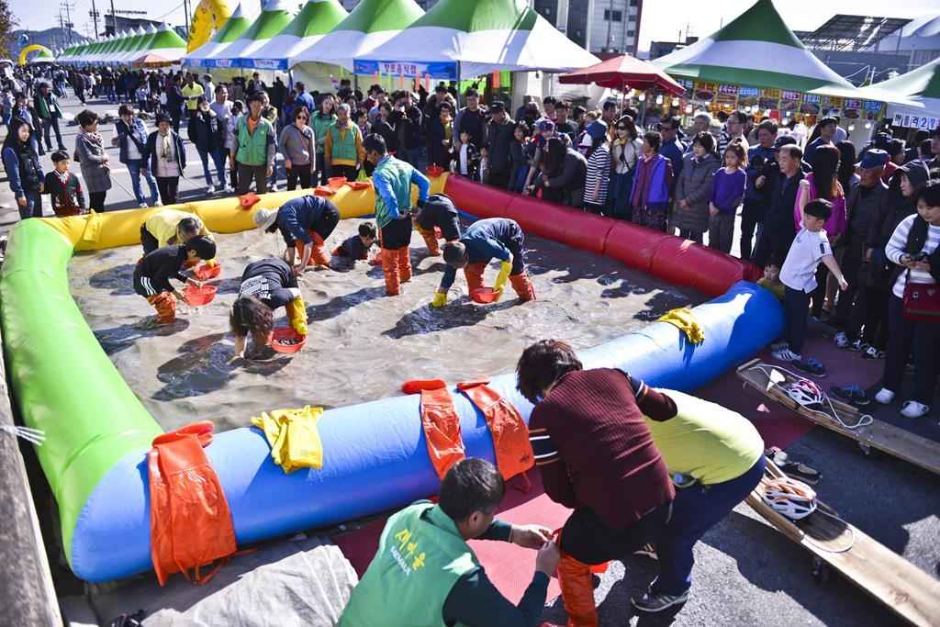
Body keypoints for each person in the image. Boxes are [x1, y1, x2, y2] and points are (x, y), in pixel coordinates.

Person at [514, 340, 676, 624]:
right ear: (572, 362)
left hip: (621, 525)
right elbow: (666, 409)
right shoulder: (616, 375)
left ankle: (583, 619)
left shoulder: (543, 416)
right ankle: (616, 553)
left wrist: (595, 493)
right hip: (666, 504)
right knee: (592, 526)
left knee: (564, 553)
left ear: (536, 389)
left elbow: (559, 492)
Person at [339, 458, 559, 627]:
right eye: (492, 515)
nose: (493, 519)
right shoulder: (460, 578)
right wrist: (543, 572)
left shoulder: (410, 513)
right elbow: (520, 624)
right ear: (475, 518)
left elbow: (448, 520)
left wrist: (513, 533)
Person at [634, 390, 766, 612]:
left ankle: (673, 589)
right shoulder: (631, 393)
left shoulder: (621, 429)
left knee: (675, 532)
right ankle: (654, 545)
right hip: (732, 437)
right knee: (660, 504)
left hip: (737, 467)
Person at [871, 183, 940, 419]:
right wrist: (903, 258)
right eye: (921, 207)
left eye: (931, 207)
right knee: (897, 344)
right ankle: (890, 386)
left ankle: (922, 399)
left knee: (926, 352)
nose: (925, 212)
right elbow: (891, 248)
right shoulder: (911, 222)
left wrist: (933, 266)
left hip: (934, 304)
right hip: (903, 294)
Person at [773, 199, 849, 377]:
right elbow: (801, 207)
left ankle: (794, 351)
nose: (804, 219)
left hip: (799, 287)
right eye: (805, 216)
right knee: (790, 315)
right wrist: (805, 190)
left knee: (798, 319)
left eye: (808, 217)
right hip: (791, 284)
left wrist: (840, 277)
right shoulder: (807, 228)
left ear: (820, 222)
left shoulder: (819, 239)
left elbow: (828, 258)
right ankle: (788, 341)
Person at [832, 149, 890, 349]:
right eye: (862, 169)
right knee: (846, 285)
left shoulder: (885, 195)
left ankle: (853, 330)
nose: (863, 174)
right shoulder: (856, 187)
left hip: (869, 248)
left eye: (868, 170)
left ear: (880, 171)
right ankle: (839, 321)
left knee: (863, 290)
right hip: (852, 243)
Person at [363, 134, 430, 296]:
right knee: (403, 253)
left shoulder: (379, 173)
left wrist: (394, 213)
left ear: (374, 153)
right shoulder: (404, 165)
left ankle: (393, 293)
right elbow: (425, 183)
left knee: (390, 261)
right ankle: (407, 279)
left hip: (389, 221)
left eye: (366, 153)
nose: (366, 157)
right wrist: (420, 205)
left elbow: (389, 196)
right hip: (406, 219)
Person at [794, 144, 847, 319]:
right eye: (836, 161)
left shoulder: (836, 185)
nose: (839, 164)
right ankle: (801, 313)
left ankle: (815, 312)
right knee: (806, 277)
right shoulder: (808, 181)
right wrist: (818, 234)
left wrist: (838, 233)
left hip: (827, 241)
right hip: (811, 241)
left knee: (821, 278)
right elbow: (801, 212)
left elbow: (842, 212)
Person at [433, 218, 536, 307]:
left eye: (460, 266)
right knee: (472, 269)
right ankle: (478, 295)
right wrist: (441, 294)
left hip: (510, 233)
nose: (457, 268)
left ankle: (528, 299)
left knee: (515, 272)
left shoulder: (484, 244)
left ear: (466, 256)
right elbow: (448, 276)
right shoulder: (454, 252)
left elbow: (509, 257)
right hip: (481, 236)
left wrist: (500, 283)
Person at [231, 258, 308, 359]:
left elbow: (297, 293)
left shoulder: (276, 297)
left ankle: (296, 330)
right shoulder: (239, 310)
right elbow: (240, 337)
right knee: (243, 329)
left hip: (280, 267)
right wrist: (238, 357)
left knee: (294, 315)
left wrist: (299, 320)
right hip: (251, 269)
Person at [133, 236, 216, 324]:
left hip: (150, 274)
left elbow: (170, 271)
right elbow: (160, 278)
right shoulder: (175, 258)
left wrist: (188, 280)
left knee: (169, 299)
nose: (199, 261)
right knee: (165, 303)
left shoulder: (179, 251)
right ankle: (163, 325)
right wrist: (175, 292)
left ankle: (164, 318)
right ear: (192, 252)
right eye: (200, 259)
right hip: (145, 280)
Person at [253, 195, 340, 273]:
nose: (267, 231)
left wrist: (302, 267)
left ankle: (329, 266)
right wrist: (290, 264)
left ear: (270, 223)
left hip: (328, 214)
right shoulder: (281, 220)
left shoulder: (287, 219)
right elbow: (290, 244)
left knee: (313, 244)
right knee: (299, 241)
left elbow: (308, 242)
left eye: (267, 229)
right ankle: (310, 264)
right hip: (316, 215)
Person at [754, 143, 804, 269]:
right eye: (779, 158)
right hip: (770, 228)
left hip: (788, 234)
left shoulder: (804, 182)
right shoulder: (778, 176)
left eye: (784, 159)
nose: (780, 162)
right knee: (759, 264)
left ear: (796, 161)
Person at [672, 131, 720, 243]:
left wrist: (688, 201)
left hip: (698, 207)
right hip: (683, 205)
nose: (696, 149)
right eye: (695, 145)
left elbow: (706, 188)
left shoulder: (714, 164)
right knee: (681, 238)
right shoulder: (688, 159)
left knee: (696, 239)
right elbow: (680, 180)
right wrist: (681, 199)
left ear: (707, 147)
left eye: (700, 146)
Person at [742, 120, 778, 259]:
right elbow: (746, 170)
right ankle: (743, 261)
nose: (762, 138)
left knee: (761, 235)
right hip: (751, 199)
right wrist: (757, 175)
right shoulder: (752, 151)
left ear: (774, 135)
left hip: (767, 202)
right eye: (760, 135)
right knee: (746, 233)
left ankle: (755, 262)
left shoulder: (778, 153)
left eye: (765, 135)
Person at [114, 104, 160, 208]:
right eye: (125, 115)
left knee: (151, 179)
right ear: (121, 116)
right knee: (136, 181)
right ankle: (141, 202)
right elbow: (115, 143)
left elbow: (147, 137)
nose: (128, 117)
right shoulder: (118, 126)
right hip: (130, 159)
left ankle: (156, 199)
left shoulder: (140, 123)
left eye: (130, 115)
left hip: (144, 156)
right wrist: (117, 140)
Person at [631, 131, 674, 232]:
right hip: (638, 204)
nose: (642, 144)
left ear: (653, 146)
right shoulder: (640, 161)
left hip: (654, 207)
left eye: (645, 142)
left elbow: (669, 185)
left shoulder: (664, 162)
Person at [234, 92, 276, 195]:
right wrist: (231, 157)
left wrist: (270, 164)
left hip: (260, 163)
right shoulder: (240, 121)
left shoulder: (267, 125)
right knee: (242, 191)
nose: (256, 107)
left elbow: (271, 147)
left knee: (262, 191)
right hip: (244, 162)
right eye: (254, 105)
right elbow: (235, 140)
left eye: (259, 105)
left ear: (262, 107)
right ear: (249, 105)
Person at [2, 117, 44, 219]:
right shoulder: (10, 149)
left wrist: (42, 179)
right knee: (28, 222)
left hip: (35, 187)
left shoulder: (26, 144)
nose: (26, 134)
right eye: (23, 131)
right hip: (25, 192)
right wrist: (19, 193)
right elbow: (13, 174)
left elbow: (36, 163)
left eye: (28, 131)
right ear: (15, 130)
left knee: (39, 221)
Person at [709, 143, 747, 254]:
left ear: (739, 158)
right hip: (714, 212)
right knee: (713, 240)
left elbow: (736, 196)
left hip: (727, 214)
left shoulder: (741, 174)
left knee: (724, 241)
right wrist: (711, 204)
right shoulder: (720, 172)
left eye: (733, 157)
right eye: (727, 157)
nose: (729, 160)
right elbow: (713, 190)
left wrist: (720, 208)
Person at [144, 113, 187, 206]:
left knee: (174, 195)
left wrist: (182, 166)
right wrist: (143, 166)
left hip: (173, 169)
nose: (164, 127)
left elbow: (182, 152)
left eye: (167, 124)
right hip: (159, 170)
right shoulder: (152, 137)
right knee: (164, 195)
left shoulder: (175, 137)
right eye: (162, 125)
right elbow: (146, 152)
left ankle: (174, 212)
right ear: (158, 125)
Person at [187, 96, 227, 194]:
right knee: (206, 166)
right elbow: (190, 132)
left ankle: (224, 183)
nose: (205, 105)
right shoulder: (195, 117)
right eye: (202, 104)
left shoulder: (214, 115)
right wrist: (196, 141)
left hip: (214, 144)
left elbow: (220, 128)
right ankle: (210, 185)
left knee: (219, 165)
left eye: (206, 103)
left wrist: (219, 140)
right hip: (202, 146)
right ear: (198, 105)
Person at [73, 109, 111, 211]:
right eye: (95, 123)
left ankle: (98, 220)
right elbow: (87, 158)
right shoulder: (81, 139)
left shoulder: (94, 134)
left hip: (101, 171)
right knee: (96, 201)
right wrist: (103, 158)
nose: (97, 125)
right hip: (92, 174)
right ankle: (95, 222)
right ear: (86, 125)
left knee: (101, 197)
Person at [140, 209, 213, 256]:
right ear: (179, 232)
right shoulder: (168, 236)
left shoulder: (198, 223)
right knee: (152, 259)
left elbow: (209, 238)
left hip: (169, 216)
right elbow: (162, 255)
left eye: (195, 238)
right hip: (150, 227)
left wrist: (209, 255)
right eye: (187, 239)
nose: (190, 242)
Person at [325, 103, 365, 181]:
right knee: (337, 188)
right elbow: (328, 146)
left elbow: (360, 146)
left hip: (351, 163)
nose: (343, 116)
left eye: (345, 113)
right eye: (340, 114)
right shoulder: (331, 128)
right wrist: (328, 159)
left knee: (350, 188)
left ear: (349, 114)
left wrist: (361, 161)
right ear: (337, 114)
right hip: (336, 163)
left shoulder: (355, 128)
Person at [279, 107, 316, 191]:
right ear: (295, 117)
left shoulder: (309, 131)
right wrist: (286, 159)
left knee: (306, 189)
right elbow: (281, 145)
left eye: (304, 117)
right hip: (292, 164)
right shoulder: (288, 129)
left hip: (306, 164)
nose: (301, 119)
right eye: (299, 117)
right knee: (291, 189)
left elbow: (312, 149)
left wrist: (313, 164)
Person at [43, 150, 85, 217]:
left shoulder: (73, 177)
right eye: (63, 163)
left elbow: (79, 192)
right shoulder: (50, 177)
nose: (66, 165)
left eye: (68, 163)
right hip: (60, 211)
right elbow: (45, 190)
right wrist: (41, 188)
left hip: (75, 210)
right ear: (55, 164)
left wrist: (82, 207)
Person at [581, 120, 611, 215]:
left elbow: (600, 173)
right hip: (591, 193)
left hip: (594, 195)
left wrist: (595, 192)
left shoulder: (601, 150)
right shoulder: (600, 149)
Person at [484, 102, 516, 189]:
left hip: (505, 169)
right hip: (491, 167)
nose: (494, 116)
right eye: (493, 113)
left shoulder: (511, 125)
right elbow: (488, 142)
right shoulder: (490, 125)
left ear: (503, 112)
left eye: (496, 113)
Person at [311, 94, 336, 185]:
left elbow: (331, 134)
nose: (328, 106)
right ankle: (313, 192)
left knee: (326, 174)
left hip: (327, 150)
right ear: (322, 103)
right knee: (314, 172)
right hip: (315, 149)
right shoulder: (314, 115)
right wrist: (312, 142)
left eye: (330, 104)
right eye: (326, 103)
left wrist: (318, 141)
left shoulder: (334, 118)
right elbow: (310, 130)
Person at [33, 82, 65, 152]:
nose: (45, 89)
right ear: (40, 89)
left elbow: (55, 104)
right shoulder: (37, 97)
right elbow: (37, 109)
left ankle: (60, 144)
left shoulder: (52, 95)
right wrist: (41, 117)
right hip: (45, 117)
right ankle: (49, 146)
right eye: (43, 88)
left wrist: (56, 113)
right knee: (47, 133)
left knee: (58, 132)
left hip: (53, 115)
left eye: (47, 88)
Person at [658, 117, 687, 185]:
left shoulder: (676, 149)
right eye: (661, 127)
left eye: (666, 129)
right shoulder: (660, 143)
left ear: (675, 130)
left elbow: (676, 175)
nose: (662, 131)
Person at [427, 101, 453, 170]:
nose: (445, 113)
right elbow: (430, 139)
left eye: (447, 111)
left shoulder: (452, 122)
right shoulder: (434, 123)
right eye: (443, 111)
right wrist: (440, 141)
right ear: (440, 112)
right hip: (438, 155)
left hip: (450, 154)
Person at [509, 123, 532, 193]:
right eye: (515, 132)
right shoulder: (514, 144)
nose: (516, 134)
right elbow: (517, 158)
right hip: (518, 172)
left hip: (527, 172)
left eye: (519, 131)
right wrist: (530, 161)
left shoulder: (528, 142)